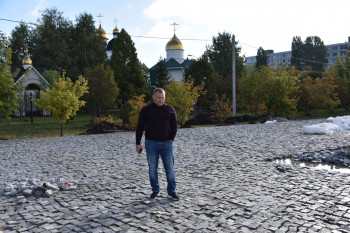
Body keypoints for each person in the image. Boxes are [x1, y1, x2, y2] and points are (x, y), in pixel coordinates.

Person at [136, 88, 179, 201]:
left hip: (167, 144)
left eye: (162, 98)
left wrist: (171, 139)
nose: (161, 100)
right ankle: (155, 190)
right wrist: (138, 143)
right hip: (151, 144)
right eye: (159, 98)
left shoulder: (170, 109)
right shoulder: (146, 110)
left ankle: (172, 191)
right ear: (153, 97)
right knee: (152, 168)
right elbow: (140, 127)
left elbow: (175, 126)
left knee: (169, 168)